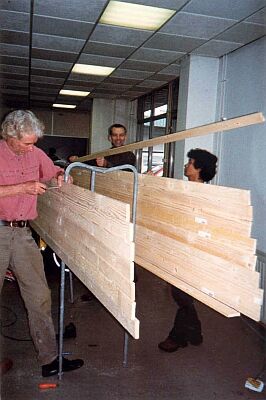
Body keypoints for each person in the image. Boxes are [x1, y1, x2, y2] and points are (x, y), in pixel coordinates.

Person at [0, 110, 84, 377]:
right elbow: (21, 187)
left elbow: (53, 170)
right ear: (9, 136)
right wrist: (22, 187)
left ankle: (49, 360)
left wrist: (61, 175)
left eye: (33, 142)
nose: (31, 147)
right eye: (26, 143)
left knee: (39, 296)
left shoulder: (35, 153)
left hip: (23, 234)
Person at [158, 148, 218, 352]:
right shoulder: (187, 189)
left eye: (190, 162)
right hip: (180, 249)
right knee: (181, 295)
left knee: (183, 296)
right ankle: (195, 332)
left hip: (193, 253)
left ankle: (178, 337)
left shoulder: (204, 195)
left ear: (199, 168)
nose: (186, 165)